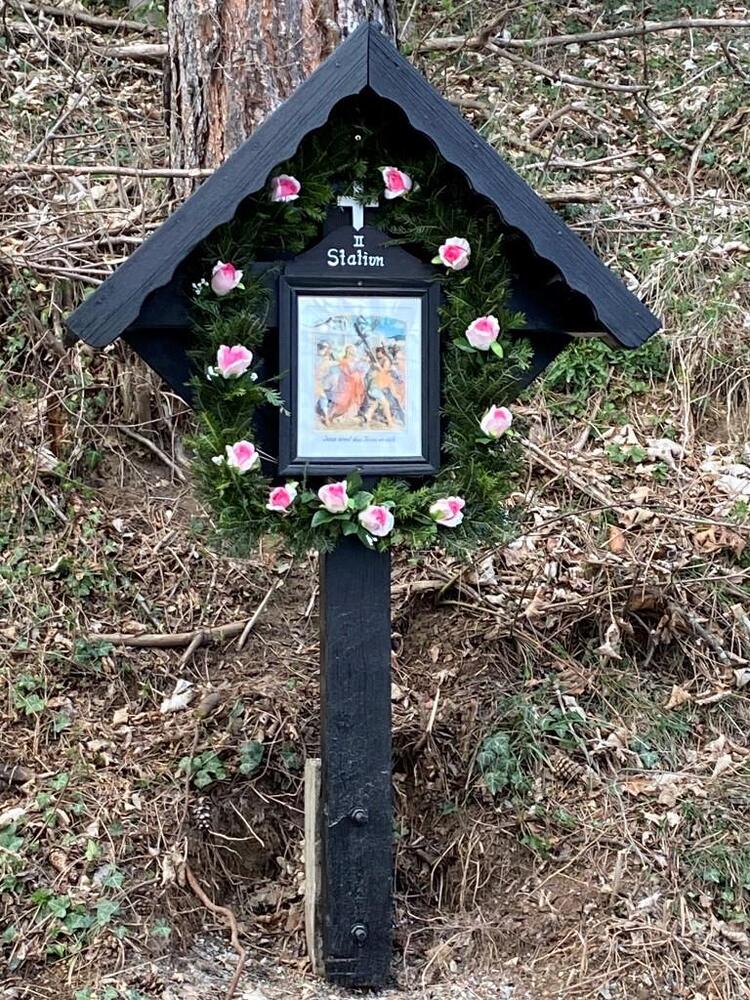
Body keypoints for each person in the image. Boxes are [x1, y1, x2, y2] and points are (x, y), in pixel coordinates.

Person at [328, 344, 366, 422]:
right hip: (346, 383)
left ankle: (346, 416)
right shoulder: (344, 360)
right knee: (342, 400)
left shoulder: (355, 360)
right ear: (347, 352)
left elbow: (361, 370)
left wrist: (358, 372)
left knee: (353, 400)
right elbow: (345, 370)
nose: (351, 353)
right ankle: (332, 415)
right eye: (349, 351)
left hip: (355, 384)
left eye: (352, 351)